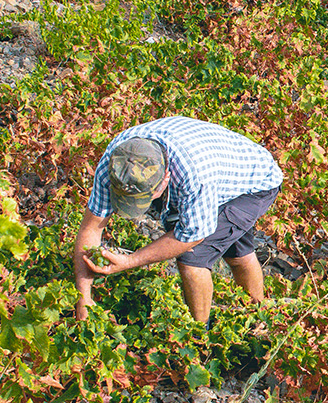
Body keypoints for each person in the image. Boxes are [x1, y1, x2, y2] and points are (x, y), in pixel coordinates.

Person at [73, 116, 283, 324]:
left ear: (165, 179)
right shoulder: (116, 162)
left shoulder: (194, 176)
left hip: (256, 183)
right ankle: (258, 318)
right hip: (223, 171)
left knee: (193, 259)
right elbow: (91, 229)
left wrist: (130, 261)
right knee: (237, 254)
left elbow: (191, 237)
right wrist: (83, 299)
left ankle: (200, 334)